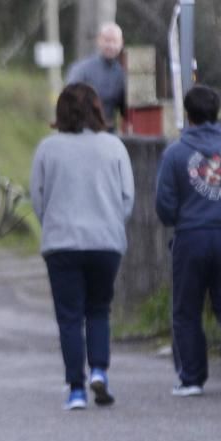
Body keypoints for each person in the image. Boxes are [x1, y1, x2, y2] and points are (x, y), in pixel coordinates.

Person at [30, 83, 135, 410]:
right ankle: (100, 371)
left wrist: (53, 222)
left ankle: (76, 389)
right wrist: (111, 221)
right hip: (106, 242)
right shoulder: (114, 146)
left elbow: (38, 198)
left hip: (62, 242)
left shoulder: (47, 149)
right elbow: (127, 198)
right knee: (99, 309)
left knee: (70, 317)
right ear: (97, 109)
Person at [155, 84, 221, 396]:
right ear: (217, 114)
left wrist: (175, 219)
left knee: (187, 308)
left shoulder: (175, 153)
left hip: (190, 236)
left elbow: (164, 202)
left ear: (188, 115)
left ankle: (191, 378)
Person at [65, 22, 127, 133]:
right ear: (99, 41)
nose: (111, 45)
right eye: (107, 40)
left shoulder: (122, 74)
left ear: (121, 43)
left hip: (109, 132)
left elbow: (126, 110)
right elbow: (69, 101)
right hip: (83, 131)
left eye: (115, 41)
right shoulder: (81, 70)